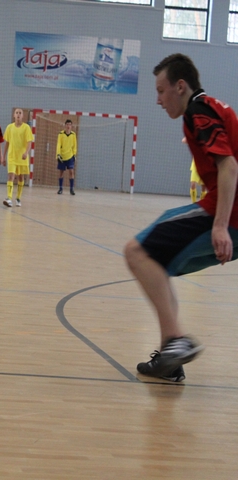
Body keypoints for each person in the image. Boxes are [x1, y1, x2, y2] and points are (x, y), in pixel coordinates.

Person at [124, 53, 238, 382]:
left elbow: (229, 166)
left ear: (180, 86)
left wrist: (220, 226)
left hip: (229, 212)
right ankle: (169, 362)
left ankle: (176, 341)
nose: (158, 100)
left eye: (161, 91)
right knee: (157, 264)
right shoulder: (210, 108)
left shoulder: (199, 111)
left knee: (136, 251)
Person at [2, 108, 33, 207]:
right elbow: (7, 143)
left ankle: (18, 198)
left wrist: (26, 152)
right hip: (12, 156)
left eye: (20, 113)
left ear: (22, 116)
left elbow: (29, 142)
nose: (18, 114)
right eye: (17, 113)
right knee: (11, 176)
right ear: (14, 115)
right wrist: (3, 156)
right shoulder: (9, 127)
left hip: (22, 157)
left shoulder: (26, 128)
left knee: (21, 177)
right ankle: (9, 198)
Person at [56, 119, 78, 195]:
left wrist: (74, 154)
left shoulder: (73, 135)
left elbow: (75, 145)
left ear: (71, 126)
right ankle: (60, 188)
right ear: (65, 125)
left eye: (70, 124)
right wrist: (58, 154)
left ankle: (71, 189)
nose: (68, 126)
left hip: (70, 156)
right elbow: (58, 144)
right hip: (62, 156)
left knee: (71, 171)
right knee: (61, 172)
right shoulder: (61, 134)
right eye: (67, 124)